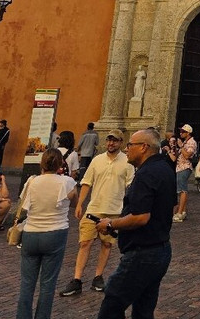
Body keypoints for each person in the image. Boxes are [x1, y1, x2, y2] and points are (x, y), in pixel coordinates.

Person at [96, 128, 176, 318]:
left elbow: (141, 217)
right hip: (161, 249)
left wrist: (111, 224)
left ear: (143, 147)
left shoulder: (145, 174)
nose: (126, 149)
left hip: (142, 254)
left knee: (111, 307)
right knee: (143, 311)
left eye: (130, 145)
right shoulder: (166, 170)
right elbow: (170, 206)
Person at [61, 130, 135, 297]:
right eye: (109, 140)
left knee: (107, 245)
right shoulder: (97, 160)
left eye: (115, 141)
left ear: (121, 143)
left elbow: (130, 187)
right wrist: (80, 204)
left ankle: (98, 276)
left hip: (115, 211)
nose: (111, 143)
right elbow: (86, 183)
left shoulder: (128, 162)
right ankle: (77, 279)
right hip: (93, 209)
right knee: (85, 243)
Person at [17, 148, 78, 319]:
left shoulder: (31, 181)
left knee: (27, 284)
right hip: (55, 232)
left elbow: (23, 204)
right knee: (48, 284)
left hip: (31, 232)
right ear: (60, 164)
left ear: (41, 163)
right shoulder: (67, 182)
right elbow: (74, 203)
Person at [173, 124, 197, 221]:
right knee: (181, 190)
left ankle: (179, 212)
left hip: (185, 167)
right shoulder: (185, 142)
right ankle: (183, 211)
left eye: (183, 132)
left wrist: (181, 147)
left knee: (182, 191)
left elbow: (187, 155)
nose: (180, 133)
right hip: (180, 167)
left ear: (188, 133)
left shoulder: (191, 142)